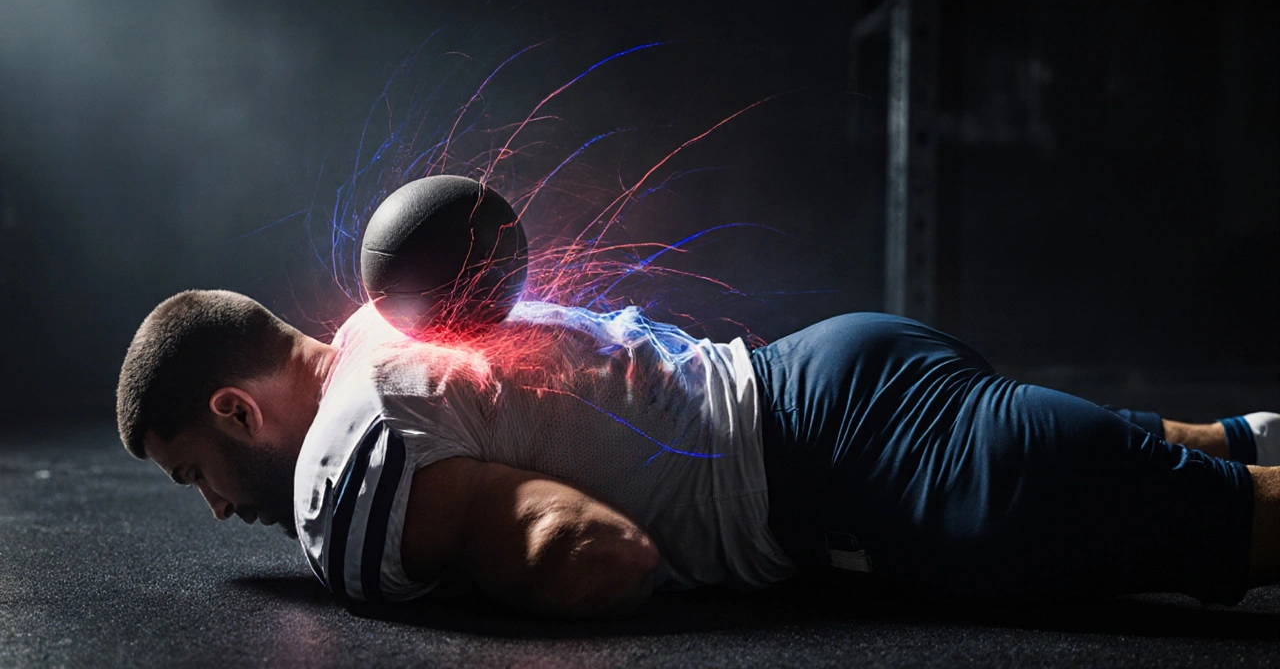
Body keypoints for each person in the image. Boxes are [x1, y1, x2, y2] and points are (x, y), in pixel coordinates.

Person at [116, 289, 1280, 617]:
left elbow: (598, 556)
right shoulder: (379, 319)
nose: (219, 511)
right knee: (1186, 461)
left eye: (195, 479)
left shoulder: (343, 471)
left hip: (861, 471)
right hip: (836, 363)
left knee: (1243, 528)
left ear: (233, 411)